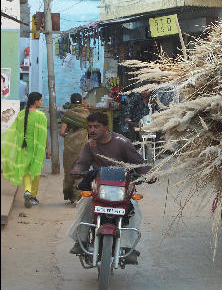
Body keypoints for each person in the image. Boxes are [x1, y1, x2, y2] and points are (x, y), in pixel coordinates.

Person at [67, 112, 152, 264]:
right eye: (90, 127)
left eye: (96, 127)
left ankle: (126, 247)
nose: (92, 130)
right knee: (84, 204)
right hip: (99, 186)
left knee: (134, 210)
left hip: (122, 186)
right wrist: (77, 170)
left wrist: (149, 174)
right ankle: (82, 241)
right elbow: (83, 163)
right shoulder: (90, 144)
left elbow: (139, 163)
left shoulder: (122, 142)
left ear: (106, 128)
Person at [1, 91, 51, 208]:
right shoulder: (41, 116)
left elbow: (15, 132)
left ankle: (27, 190)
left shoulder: (21, 114)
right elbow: (44, 136)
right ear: (36, 101)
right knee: (36, 171)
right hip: (37, 148)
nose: (41, 102)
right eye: (40, 100)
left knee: (26, 172)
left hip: (23, 147)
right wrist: (47, 151)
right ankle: (33, 196)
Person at [59, 93, 89, 204]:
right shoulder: (86, 114)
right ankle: (77, 196)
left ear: (71, 102)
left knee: (69, 169)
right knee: (80, 169)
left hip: (69, 146)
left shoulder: (68, 113)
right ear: (81, 101)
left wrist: (69, 135)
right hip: (82, 146)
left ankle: (70, 196)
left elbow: (62, 132)